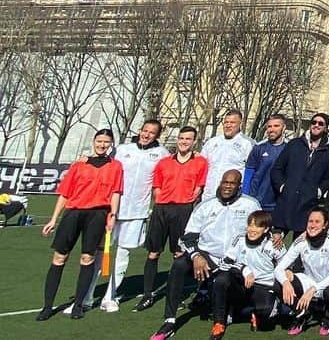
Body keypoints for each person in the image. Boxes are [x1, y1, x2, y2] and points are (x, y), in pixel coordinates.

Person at [68, 118, 170, 313]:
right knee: (99, 252)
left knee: (123, 253)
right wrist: (85, 159)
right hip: (110, 210)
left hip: (137, 212)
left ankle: (110, 295)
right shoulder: (122, 149)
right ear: (140, 130)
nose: (146, 134)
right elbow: (102, 161)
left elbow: (172, 167)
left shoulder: (161, 154)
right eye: (144, 130)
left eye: (152, 132)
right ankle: (85, 297)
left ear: (157, 135)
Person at [149, 169, 262, 340]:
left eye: (232, 183)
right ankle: (170, 321)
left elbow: (261, 228)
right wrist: (196, 256)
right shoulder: (206, 205)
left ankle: (219, 322)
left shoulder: (251, 205)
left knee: (223, 281)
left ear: (239, 186)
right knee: (179, 265)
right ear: (220, 183)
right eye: (225, 182)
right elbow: (188, 237)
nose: (227, 186)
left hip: (234, 260)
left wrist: (274, 235)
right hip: (206, 255)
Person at [37, 128, 124, 321]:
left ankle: (78, 305)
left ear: (111, 145)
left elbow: (116, 192)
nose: (102, 145)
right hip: (73, 213)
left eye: (106, 142)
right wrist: (53, 219)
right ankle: (47, 306)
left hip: (98, 215)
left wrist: (113, 214)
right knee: (59, 258)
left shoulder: (116, 166)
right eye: (99, 141)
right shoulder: (78, 165)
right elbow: (65, 193)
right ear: (94, 142)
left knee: (87, 258)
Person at [136, 125, 209, 312]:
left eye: (188, 139)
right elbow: (156, 187)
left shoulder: (200, 162)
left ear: (194, 142)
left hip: (183, 211)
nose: (184, 142)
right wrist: (161, 201)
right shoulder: (164, 162)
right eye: (181, 138)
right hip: (162, 210)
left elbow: (198, 188)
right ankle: (147, 295)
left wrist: (187, 201)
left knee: (178, 254)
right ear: (177, 140)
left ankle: (174, 295)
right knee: (153, 253)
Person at [211, 209, 286, 337]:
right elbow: (224, 263)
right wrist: (244, 269)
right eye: (250, 225)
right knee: (221, 279)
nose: (252, 229)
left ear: (266, 229)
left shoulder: (274, 244)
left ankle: (249, 312)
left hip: (264, 286)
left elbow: (286, 266)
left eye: (257, 226)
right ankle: (220, 321)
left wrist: (281, 286)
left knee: (267, 319)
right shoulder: (240, 239)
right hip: (243, 283)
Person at [274, 206, 329, 336]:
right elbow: (279, 269)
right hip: (308, 280)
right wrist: (285, 282)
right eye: (310, 221)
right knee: (278, 282)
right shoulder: (301, 240)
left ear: (325, 225)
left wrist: (313, 289)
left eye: (317, 222)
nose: (312, 225)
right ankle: (301, 313)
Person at [271, 113, 329, 235]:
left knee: (301, 248)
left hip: (307, 205)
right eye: (314, 122)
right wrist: (282, 187)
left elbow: (328, 177)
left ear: (326, 128)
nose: (316, 125)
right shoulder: (295, 144)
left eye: (320, 123)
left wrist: (318, 191)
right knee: (274, 245)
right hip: (286, 202)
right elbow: (277, 169)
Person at [201, 110, 256, 202]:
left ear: (240, 124)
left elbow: (252, 171)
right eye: (226, 122)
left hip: (233, 197)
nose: (228, 125)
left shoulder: (247, 144)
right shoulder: (212, 142)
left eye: (232, 122)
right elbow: (202, 166)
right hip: (209, 195)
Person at [243, 114, 289, 213]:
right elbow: (248, 175)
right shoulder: (258, 148)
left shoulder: (289, 149)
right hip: (256, 202)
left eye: (276, 126)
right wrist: (245, 197)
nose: (272, 129)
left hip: (278, 204)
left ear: (284, 128)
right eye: (269, 126)